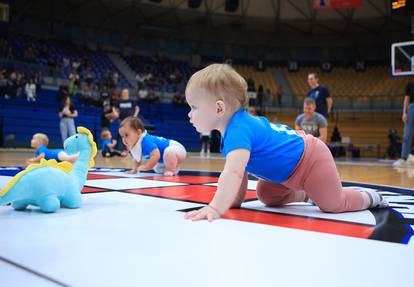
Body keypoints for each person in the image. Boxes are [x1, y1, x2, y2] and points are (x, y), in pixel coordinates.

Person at [183, 64, 388, 222]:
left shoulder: (238, 130)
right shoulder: (235, 130)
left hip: (310, 158)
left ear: (219, 109)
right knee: (267, 195)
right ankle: (308, 194)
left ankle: (370, 197)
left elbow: (233, 173)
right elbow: (240, 174)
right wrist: (232, 201)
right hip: (288, 171)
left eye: (194, 107)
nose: (190, 114)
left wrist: (216, 207)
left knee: (332, 204)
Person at [118, 116, 187, 176]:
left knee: (168, 152)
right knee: (157, 169)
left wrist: (147, 166)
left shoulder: (146, 141)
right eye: (122, 136)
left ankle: (173, 170)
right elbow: (137, 159)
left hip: (177, 149)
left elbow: (156, 155)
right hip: (165, 157)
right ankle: (172, 166)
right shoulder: (135, 144)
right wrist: (134, 170)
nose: (124, 139)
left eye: (126, 135)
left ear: (138, 132)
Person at [393, 82, 414, 167]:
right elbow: (406, 99)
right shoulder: (410, 85)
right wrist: (404, 112)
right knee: (407, 135)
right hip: (411, 108)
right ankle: (403, 159)